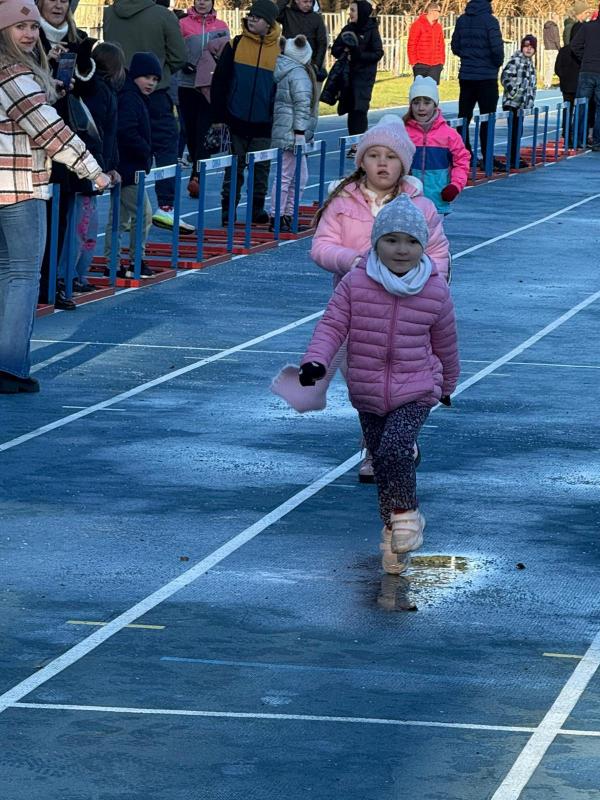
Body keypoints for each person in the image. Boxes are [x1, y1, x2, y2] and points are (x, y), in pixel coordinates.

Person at [299, 194, 459, 574]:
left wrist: (448, 384)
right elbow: (332, 325)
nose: (401, 250)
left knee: (396, 448)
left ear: (423, 246)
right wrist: (315, 362)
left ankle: (406, 517)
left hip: (417, 387)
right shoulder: (356, 283)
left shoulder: (435, 290)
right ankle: (392, 531)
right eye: (392, 240)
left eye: (411, 242)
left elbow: (446, 343)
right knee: (383, 463)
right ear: (376, 243)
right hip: (367, 389)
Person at [310, 114, 450, 482]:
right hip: (359, 307)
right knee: (364, 379)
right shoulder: (343, 200)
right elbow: (321, 246)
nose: (382, 163)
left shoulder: (421, 206)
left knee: (407, 374)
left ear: (403, 162)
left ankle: (402, 439)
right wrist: (353, 260)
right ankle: (375, 447)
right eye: (374, 155)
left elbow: (438, 253)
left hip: (410, 306)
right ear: (362, 161)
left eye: (390, 156)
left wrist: (429, 284)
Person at [0, 0, 109, 394]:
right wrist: (92, 171)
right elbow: (51, 132)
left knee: (5, 275)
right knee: (23, 277)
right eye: (19, 27)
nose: (29, 34)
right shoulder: (12, 75)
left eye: (32, 27)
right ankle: (10, 367)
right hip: (21, 189)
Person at [103, 0, 195, 234]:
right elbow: (179, 56)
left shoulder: (110, 13)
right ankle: (165, 205)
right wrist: (157, 75)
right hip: (156, 93)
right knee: (166, 146)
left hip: (118, 87)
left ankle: (124, 213)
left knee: (124, 145)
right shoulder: (163, 15)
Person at [35, 0, 99, 310]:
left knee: (59, 216)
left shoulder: (80, 40)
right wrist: (45, 64)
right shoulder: (24, 36)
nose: (59, 4)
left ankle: (50, 285)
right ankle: (26, 284)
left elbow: (93, 90)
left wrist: (77, 74)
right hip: (31, 136)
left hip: (64, 136)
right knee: (29, 219)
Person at [211, 0, 281, 226]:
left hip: (264, 121)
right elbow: (220, 81)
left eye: (257, 17)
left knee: (261, 168)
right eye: (250, 15)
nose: (251, 19)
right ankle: (227, 210)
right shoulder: (236, 44)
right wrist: (220, 116)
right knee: (233, 168)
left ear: (269, 23)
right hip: (235, 119)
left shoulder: (281, 49)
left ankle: (256, 208)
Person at [104, 52, 160, 278]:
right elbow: (126, 130)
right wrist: (146, 150)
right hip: (128, 167)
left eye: (155, 79)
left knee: (120, 217)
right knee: (142, 215)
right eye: (147, 77)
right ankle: (134, 260)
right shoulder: (129, 98)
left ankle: (115, 261)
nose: (151, 83)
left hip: (129, 166)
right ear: (135, 75)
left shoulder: (135, 97)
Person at [73, 42, 123, 289]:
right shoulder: (102, 92)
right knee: (83, 230)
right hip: (90, 166)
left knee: (83, 228)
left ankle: (74, 275)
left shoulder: (101, 91)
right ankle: (72, 276)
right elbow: (101, 133)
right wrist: (106, 165)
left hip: (92, 163)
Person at [178, 0, 229, 198]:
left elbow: (226, 54)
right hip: (187, 84)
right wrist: (183, 63)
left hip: (209, 86)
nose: (201, 2)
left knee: (203, 132)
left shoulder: (221, 26)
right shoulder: (182, 24)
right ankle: (196, 166)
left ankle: (197, 176)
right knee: (190, 132)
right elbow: (174, 48)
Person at [269, 34, 318, 232]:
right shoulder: (298, 74)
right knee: (287, 175)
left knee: (299, 176)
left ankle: (287, 213)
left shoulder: (289, 70)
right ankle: (278, 215)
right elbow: (302, 105)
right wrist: (299, 132)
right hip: (292, 132)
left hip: (289, 129)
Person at [404, 75, 470, 214]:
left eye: (427, 102)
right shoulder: (403, 133)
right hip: (406, 203)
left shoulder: (449, 135)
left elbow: (462, 162)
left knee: (434, 236)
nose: (421, 108)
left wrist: (455, 186)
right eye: (416, 103)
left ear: (435, 104)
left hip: (437, 203)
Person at [451, 0, 504, 168]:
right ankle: (487, 155)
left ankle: (464, 152)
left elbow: (455, 46)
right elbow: (497, 49)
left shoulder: (462, 20)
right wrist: (495, 63)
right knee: (487, 117)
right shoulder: (490, 21)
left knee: (464, 116)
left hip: (467, 74)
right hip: (486, 75)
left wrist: (468, 56)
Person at [330, 0, 383, 157]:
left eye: (353, 10)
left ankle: (359, 145)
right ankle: (355, 143)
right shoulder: (347, 29)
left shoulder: (372, 30)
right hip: (348, 75)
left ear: (361, 12)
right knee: (350, 108)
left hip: (364, 77)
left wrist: (360, 55)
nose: (350, 13)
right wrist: (344, 50)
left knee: (360, 109)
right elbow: (335, 49)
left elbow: (378, 53)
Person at [501, 34, 537, 168]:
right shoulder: (516, 61)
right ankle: (512, 156)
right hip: (513, 103)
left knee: (518, 131)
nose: (528, 49)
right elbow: (505, 77)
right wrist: (513, 92)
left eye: (531, 47)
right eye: (526, 47)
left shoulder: (530, 64)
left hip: (522, 104)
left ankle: (514, 155)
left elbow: (531, 84)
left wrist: (530, 100)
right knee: (514, 131)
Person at [276, 0, 328, 81]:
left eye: (311, 2)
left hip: (308, 65)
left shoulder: (317, 18)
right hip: (288, 63)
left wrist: (316, 65)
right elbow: (276, 13)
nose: (308, 5)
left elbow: (322, 43)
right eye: (305, 1)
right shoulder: (287, 13)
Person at [571, 11, 600, 150]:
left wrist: (584, 58)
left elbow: (574, 45)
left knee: (581, 106)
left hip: (587, 70)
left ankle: (577, 139)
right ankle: (597, 141)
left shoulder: (588, 27)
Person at [555, 22, 583, 144]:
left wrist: (563, 77)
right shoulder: (582, 51)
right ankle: (576, 134)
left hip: (566, 85)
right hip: (578, 84)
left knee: (567, 109)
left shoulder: (563, 50)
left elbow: (557, 68)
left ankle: (566, 133)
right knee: (579, 110)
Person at [407, 1, 445, 84]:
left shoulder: (438, 27)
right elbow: (412, 44)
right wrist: (413, 62)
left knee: (432, 91)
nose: (439, 14)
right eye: (439, 11)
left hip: (436, 65)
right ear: (432, 11)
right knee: (420, 90)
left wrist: (441, 62)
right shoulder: (417, 24)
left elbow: (441, 45)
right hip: (420, 64)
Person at [542, 19, 561, 89]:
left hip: (547, 48)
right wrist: (559, 48)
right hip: (554, 48)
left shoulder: (545, 27)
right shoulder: (554, 27)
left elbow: (544, 38)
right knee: (552, 66)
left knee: (548, 67)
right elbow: (556, 39)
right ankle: (548, 84)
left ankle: (546, 82)